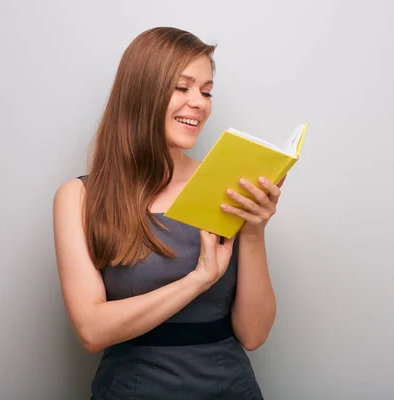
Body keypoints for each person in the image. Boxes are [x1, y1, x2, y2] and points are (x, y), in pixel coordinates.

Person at [53, 26, 284, 400]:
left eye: (206, 91)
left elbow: (254, 335)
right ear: (142, 91)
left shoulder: (227, 185)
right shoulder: (78, 197)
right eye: (183, 87)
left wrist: (255, 230)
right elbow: (91, 330)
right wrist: (199, 279)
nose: (200, 103)